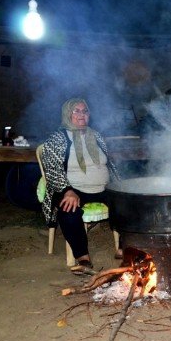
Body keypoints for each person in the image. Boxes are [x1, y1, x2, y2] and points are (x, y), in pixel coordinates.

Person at [40, 98, 120, 275]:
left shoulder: (96, 135)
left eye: (85, 111)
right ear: (67, 114)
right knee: (69, 211)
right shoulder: (58, 138)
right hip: (73, 189)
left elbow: (109, 163)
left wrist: (119, 184)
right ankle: (83, 257)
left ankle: (124, 248)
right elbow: (52, 168)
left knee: (128, 201)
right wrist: (67, 190)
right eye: (76, 111)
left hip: (103, 187)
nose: (81, 115)